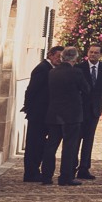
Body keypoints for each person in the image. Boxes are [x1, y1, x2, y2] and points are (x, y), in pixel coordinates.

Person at [45, 48, 93, 186]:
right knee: (69, 147)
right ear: (75, 58)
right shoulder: (76, 72)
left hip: (54, 113)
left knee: (51, 146)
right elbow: (86, 89)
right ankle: (65, 177)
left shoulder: (53, 72)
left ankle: (47, 176)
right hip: (72, 115)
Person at [24, 47, 64, 182]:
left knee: (40, 144)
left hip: (45, 113)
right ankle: (30, 173)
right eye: (58, 56)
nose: (60, 59)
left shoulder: (53, 69)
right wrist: (28, 107)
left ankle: (35, 171)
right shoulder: (42, 68)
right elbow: (31, 89)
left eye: (62, 57)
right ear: (50, 55)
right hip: (38, 113)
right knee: (34, 144)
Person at [74, 51, 102, 181]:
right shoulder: (79, 67)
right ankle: (72, 166)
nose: (93, 55)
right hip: (80, 108)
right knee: (76, 138)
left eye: (96, 53)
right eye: (91, 52)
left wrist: (96, 100)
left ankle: (84, 168)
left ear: (100, 55)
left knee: (89, 140)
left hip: (94, 109)